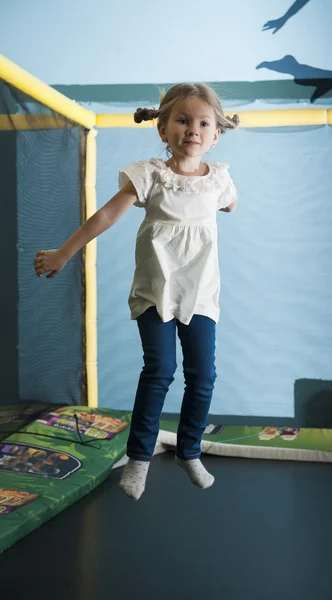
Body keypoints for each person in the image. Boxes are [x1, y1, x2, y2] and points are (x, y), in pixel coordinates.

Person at [33, 83, 239, 500]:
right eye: (182, 121)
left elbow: (230, 203)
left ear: (215, 134)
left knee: (203, 376)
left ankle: (189, 451)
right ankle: (140, 458)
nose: (193, 130)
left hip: (200, 295)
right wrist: (63, 253)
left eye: (203, 124)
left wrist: (223, 203)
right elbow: (107, 215)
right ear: (163, 129)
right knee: (160, 371)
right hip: (156, 292)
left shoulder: (219, 179)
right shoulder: (151, 175)